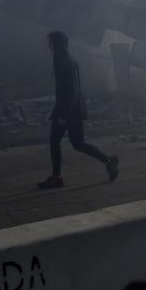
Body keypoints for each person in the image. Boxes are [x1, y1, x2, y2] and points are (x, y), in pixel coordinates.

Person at [38, 31, 119, 189]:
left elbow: (73, 90)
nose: (48, 46)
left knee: (56, 141)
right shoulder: (63, 59)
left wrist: (63, 114)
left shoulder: (65, 62)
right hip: (71, 109)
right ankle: (108, 161)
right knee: (78, 143)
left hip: (68, 110)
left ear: (56, 43)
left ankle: (57, 177)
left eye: (50, 42)